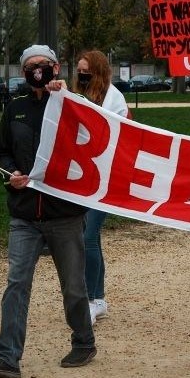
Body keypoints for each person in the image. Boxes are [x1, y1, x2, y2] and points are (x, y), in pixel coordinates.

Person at [0, 45, 95, 378]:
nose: (36, 71)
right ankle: (7, 357)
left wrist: (69, 97)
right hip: (25, 213)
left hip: (65, 212)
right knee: (17, 283)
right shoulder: (15, 110)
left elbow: (94, 131)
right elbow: (2, 152)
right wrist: (9, 173)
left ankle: (83, 341)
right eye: (29, 66)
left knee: (73, 285)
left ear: (55, 68)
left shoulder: (71, 106)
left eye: (41, 65)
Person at [71, 50, 129, 325]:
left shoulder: (113, 99)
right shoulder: (79, 93)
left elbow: (115, 134)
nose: (81, 75)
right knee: (90, 237)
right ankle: (99, 297)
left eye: (86, 71)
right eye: (79, 70)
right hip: (82, 175)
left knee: (88, 237)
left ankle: (92, 300)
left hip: (105, 178)